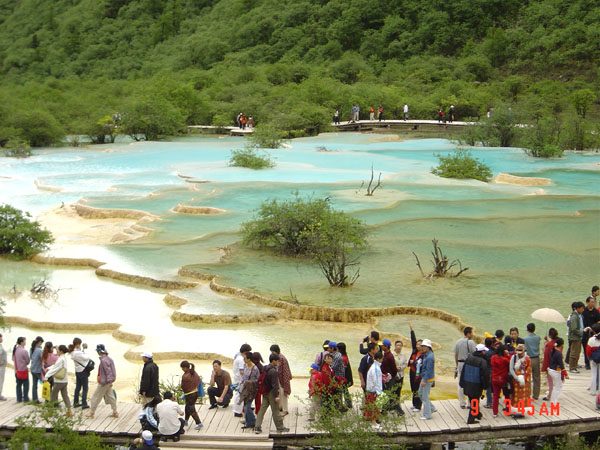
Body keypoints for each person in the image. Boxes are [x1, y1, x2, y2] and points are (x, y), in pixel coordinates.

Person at [254, 353, 289, 434]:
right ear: (273, 361)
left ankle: (257, 426)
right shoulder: (273, 371)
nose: (278, 363)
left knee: (262, 409)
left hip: (265, 391)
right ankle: (280, 427)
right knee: (276, 410)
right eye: (277, 361)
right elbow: (275, 385)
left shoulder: (265, 368)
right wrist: (276, 396)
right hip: (271, 393)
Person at [459, 343, 489, 424]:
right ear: (482, 352)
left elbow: (463, 372)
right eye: (484, 351)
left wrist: (461, 383)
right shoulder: (483, 362)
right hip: (476, 385)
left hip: (467, 383)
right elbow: (485, 375)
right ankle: (470, 420)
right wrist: (485, 386)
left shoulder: (469, 358)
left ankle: (477, 414)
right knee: (475, 402)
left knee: (472, 400)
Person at [88, 344, 118, 419]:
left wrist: (109, 381)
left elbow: (108, 372)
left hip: (104, 382)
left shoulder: (103, 360)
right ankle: (115, 412)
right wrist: (110, 381)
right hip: (108, 381)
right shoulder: (109, 359)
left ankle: (91, 412)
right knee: (111, 396)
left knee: (96, 396)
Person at [45, 344, 72, 415]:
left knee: (53, 396)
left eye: (58, 350)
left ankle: (50, 412)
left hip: (59, 381)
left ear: (61, 351)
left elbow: (55, 368)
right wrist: (49, 368)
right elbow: (55, 366)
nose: (57, 351)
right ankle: (69, 411)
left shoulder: (60, 359)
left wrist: (46, 376)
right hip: (65, 381)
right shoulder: (64, 358)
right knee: (65, 396)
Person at [454, 327, 476, 409]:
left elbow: (456, 355)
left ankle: (462, 402)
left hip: (460, 363)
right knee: (469, 382)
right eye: (471, 333)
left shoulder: (458, 342)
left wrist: (457, 365)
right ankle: (470, 403)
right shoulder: (470, 342)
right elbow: (474, 353)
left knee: (460, 383)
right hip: (468, 364)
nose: (472, 335)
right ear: (468, 333)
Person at [381, 338, 403, 415]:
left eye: (383, 346)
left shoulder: (389, 356)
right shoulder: (386, 355)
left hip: (390, 379)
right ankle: (384, 411)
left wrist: (395, 376)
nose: (382, 347)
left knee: (389, 395)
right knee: (387, 395)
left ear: (386, 347)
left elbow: (393, 368)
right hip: (386, 378)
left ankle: (399, 410)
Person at [239, 351, 259, 429]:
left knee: (247, 407)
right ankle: (248, 423)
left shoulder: (255, 369)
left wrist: (248, 382)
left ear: (249, 359)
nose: (244, 360)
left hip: (252, 390)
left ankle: (253, 421)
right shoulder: (245, 365)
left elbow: (258, 380)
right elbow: (243, 376)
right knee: (245, 406)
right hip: (245, 389)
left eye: (245, 358)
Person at [180, 360, 203, 429]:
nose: (182, 369)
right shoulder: (193, 372)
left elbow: (183, 386)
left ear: (185, 368)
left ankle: (199, 423)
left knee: (191, 409)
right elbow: (198, 380)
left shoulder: (185, 376)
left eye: (182, 368)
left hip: (189, 394)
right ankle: (186, 420)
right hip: (195, 392)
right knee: (187, 407)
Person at [270, 344, 292, 416]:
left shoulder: (282, 358)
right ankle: (280, 407)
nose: (271, 353)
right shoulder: (277, 357)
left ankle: (285, 410)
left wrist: (285, 381)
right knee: (279, 393)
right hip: (278, 379)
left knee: (283, 394)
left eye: (272, 351)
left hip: (282, 379)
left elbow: (285, 371)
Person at [509, 344, 531, 414]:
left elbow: (529, 369)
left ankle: (522, 411)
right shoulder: (514, 357)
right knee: (516, 396)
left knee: (524, 397)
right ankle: (516, 411)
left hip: (524, 380)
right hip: (516, 379)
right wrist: (516, 377)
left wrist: (524, 378)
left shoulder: (527, 358)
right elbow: (511, 369)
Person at [490, 344, 511, 417]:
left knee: (496, 395)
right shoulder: (505, 360)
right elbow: (510, 363)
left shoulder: (493, 358)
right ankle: (508, 410)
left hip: (494, 378)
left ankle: (495, 412)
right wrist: (507, 354)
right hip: (503, 379)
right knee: (506, 395)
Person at [70, 337, 91, 409]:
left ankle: (76, 402)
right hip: (83, 371)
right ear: (78, 344)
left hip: (77, 371)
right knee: (85, 388)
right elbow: (86, 357)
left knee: (78, 387)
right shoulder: (78, 353)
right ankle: (84, 403)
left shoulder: (72, 352)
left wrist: (82, 350)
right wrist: (84, 349)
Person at [365, 351, 384, 430]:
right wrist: (379, 391)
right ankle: (374, 422)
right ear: (379, 359)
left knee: (373, 406)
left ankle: (374, 421)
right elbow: (376, 380)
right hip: (373, 390)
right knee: (374, 407)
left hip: (372, 389)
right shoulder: (375, 368)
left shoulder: (375, 366)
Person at [407, 322, 423, 411]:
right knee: (413, 387)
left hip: (418, 373)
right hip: (412, 371)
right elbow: (413, 340)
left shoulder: (423, 354)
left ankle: (418, 405)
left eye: (419, 345)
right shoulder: (415, 350)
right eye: (417, 344)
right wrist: (411, 330)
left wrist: (413, 362)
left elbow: (419, 364)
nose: (417, 346)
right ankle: (414, 403)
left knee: (417, 388)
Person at [418, 339, 436, 420]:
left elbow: (429, 370)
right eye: (422, 346)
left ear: (428, 347)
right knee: (420, 394)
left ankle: (427, 415)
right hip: (425, 377)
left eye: (424, 346)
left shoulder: (430, 357)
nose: (423, 347)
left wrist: (425, 381)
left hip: (427, 379)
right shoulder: (426, 355)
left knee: (425, 397)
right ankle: (431, 408)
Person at [547, 338, 569, 403]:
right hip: (555, 371)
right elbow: (561, 365)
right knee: (558, 387)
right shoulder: (558, 354)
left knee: (555, 386)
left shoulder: (552, 351)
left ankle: (553, 401)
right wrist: (566, 374)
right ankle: (554, 402)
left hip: (551, 370)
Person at [233, 344, 252, 418]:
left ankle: (240, 409)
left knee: (240, 394)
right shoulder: (241, 359)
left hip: (237, 377)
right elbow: (242, 371)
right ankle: (237, 411)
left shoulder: (237, 355)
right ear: (245, 352)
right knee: (239, 394)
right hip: (239, 379)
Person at [583, 289, 600, 370]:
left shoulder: (596, 311)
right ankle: (587, 363)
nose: (593, 303)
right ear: (587, 302)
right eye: (592, 302)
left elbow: (598, 321)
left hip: (593, 332)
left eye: (594, 302)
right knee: (585, 347)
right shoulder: (584, 311)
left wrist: (594, 328)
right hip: (585, 331)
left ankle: (594, 359)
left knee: (593, 346)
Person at [523, 323, 541, 400]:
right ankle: (536, 395)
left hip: (528, 358)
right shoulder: (538, 338)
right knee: (536, 377)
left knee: (528, 377)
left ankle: (527, 394)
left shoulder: (525, 339)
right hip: (536, 358)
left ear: (527, 329)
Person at [541, 328, 559, 401]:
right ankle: (555, 394)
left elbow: (546, 354)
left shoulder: (548, 344)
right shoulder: (558, 343)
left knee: (550, 381)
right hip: (557, 365)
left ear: (549, 335)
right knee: (556, 381)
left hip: (550, 365)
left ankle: (549, 395)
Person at [568, 301, 585, 372]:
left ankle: (574, 366)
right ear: (577, 308)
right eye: (581, 308)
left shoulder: (579, 315)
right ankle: (572, 367)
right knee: (574, 353)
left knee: (577, 352)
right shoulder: (574, 316)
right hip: (575, 337)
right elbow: (574, 328)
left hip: (578, 337)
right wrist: (581, 333)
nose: (583, 310)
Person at [12, 336, 30, 403]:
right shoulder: (24, 351)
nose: (25, 342)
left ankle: (19, 398)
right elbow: (28, 361)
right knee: (26, 384)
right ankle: (25, 398)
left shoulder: (15, 350)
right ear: (22, 342)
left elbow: (13, 359)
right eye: (24, 341)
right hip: (23, 370)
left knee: (18, 385)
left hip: (16, 370)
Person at [338, 342, 353, 408]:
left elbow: (342, 369)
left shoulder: (342, 358)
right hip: (346, 377)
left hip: (342, 377)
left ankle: (342, 404)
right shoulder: (345, 355)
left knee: (342, 391)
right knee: (345, 390)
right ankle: (349, 403)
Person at [585, 325, 600, 396]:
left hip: (594, 359)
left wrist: (590, 357)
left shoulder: (591, 339)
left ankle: (593, 391)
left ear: (594, 331)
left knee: (594, 375)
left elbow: (588, 351)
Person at [29, 336, 43, 403]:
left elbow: (31, 358)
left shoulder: (31, 349)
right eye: (41, 343)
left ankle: (35, 399)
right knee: (46, 383)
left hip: (32, 369)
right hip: (38, 370)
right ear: (39, 342)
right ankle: (47, 398)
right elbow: (42, 359)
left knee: (34, 385)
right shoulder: (39, 350)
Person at [0, 333, 6, 401]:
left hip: (2, 367)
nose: (2, 339)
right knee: (0, 381)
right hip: (1, 368)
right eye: (1, 337)